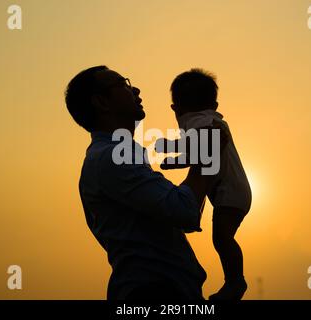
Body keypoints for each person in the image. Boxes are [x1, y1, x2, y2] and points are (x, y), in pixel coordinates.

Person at [65, 65, 221, 300]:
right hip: (154, 294)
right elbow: (184, 210)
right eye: (123, 84)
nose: (135, 89)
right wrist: (208, 154)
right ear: (101, 102)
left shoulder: (116, 156)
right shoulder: (111, 159)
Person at [159, 68, 252, 300]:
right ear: (216, 104)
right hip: (233, 191)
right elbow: (200, 150)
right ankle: (234, 281)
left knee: (222, 238)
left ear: (175, 108)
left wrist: (172, 158)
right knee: (222, 236)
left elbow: (202, 150)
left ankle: (235, 282)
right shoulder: (209, 119)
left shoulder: (197, 122)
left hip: (230, 193)